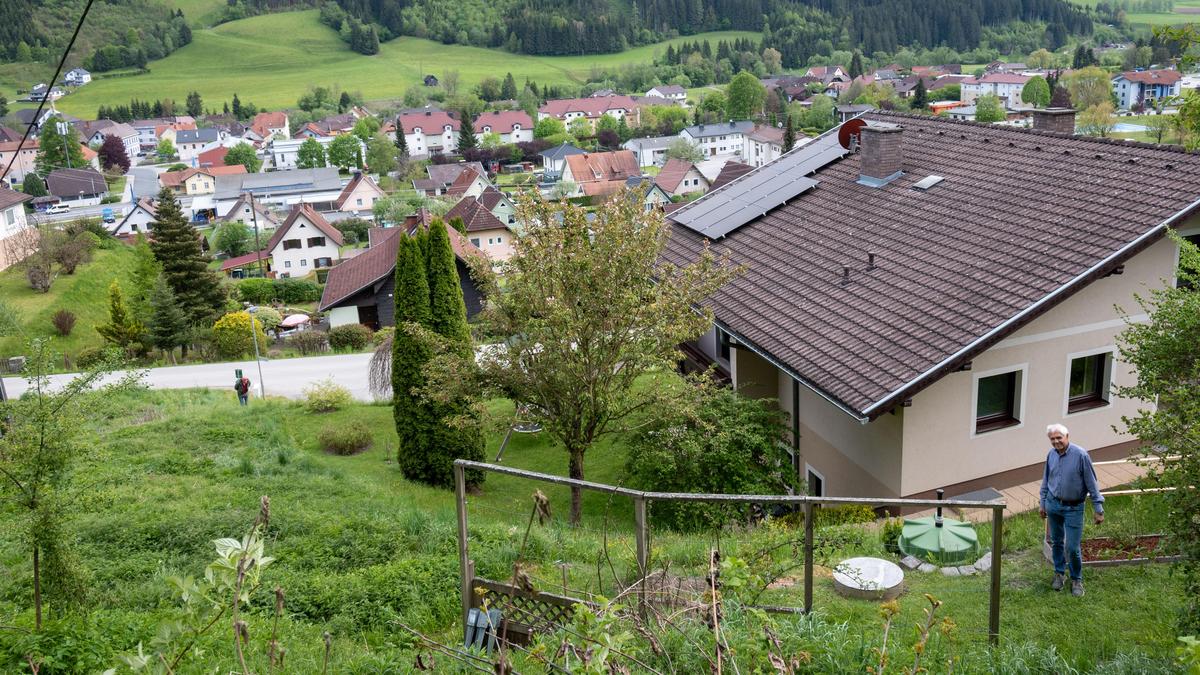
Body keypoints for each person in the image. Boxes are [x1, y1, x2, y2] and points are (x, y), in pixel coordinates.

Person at [1039, 423, 1104, 597]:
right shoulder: (1051, 455)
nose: (1056, 441)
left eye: (1059, 438)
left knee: (1072, 547)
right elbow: (1046, 480)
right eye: (1052, 439)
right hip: (1053, 505)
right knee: (1056, 542)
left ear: (1067, 436)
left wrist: (1098, 508)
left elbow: (1092, 483)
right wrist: (1042, 503)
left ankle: (1076, 579)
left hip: (1074, 508)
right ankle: (1059, 574)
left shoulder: (1081, 455)